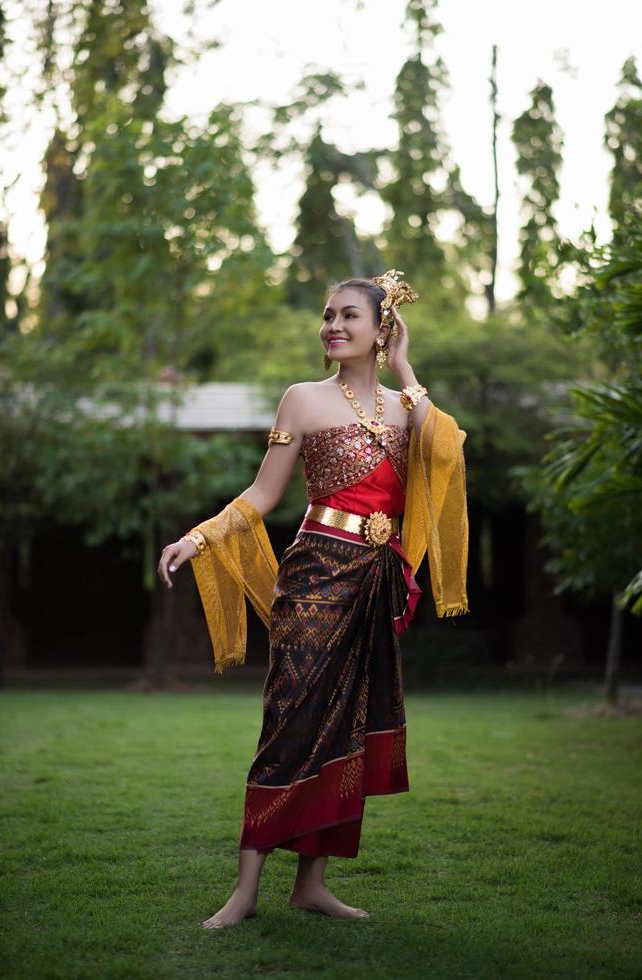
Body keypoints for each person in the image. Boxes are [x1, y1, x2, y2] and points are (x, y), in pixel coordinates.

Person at [157, 270, 469, 928]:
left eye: (349, 315)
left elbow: (447, 453)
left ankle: (310, 885)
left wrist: (408, 366)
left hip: (376, 582)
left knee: (345, 727)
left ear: (380, 330)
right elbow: (262, 495)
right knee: (291, 719)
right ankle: (245, 890)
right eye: (328, 315)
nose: (332, 325)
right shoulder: (301, 399)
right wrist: (199, 536)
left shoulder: (408, 408)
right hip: (315, 577)